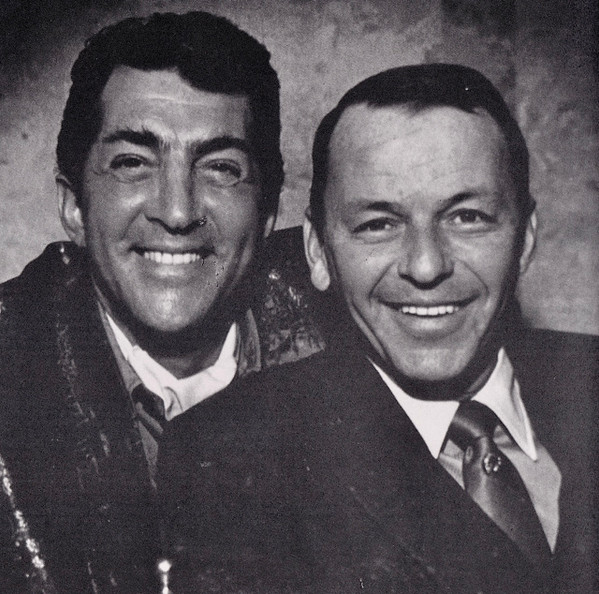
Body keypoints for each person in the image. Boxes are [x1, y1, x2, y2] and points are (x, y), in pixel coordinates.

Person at [161, 64, 599, 593]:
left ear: (524, 239)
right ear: (318, 252)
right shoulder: (231, 459)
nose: (426, 265)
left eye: (467, 217)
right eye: (378, 224)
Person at [0, 11, 322, 592]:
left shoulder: (352, 345)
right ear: (74, 206)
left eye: (221, 168)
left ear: (268, 213)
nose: (177, 212)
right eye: (133, 164)